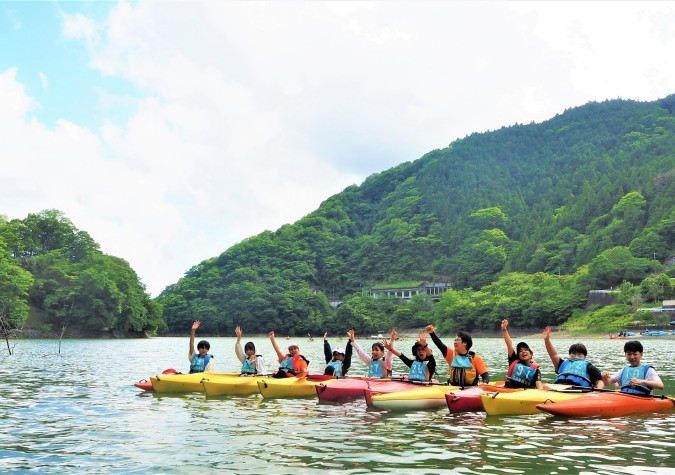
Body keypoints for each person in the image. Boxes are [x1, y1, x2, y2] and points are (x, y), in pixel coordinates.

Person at [501, 319, 543, 389]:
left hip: (524, 393)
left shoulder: (536, 370)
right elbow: (509, 344)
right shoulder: (514, 360)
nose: (523, 352)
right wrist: (504, 329)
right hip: (509, 390)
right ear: (518, 356)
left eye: (526, 350)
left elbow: (538, 384)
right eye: (520, 351)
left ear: (531, 354)